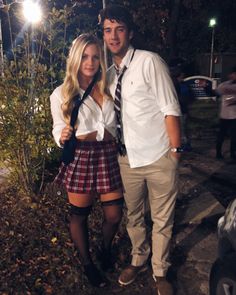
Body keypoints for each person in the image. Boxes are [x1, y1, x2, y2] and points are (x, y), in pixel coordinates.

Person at [99, 5, 182, 295]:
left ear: (130, 32)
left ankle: (161, 271)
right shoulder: (109, 74)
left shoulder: (150, 62)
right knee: (133, 216)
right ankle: (139, 257)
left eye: (119, 29)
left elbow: (171, 108)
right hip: (127, 159)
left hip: (159, 156)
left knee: (162, 219)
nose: (113, 36)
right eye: (108, 30)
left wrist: (175, 152)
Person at [50, 34, 124, 288]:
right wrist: (62, 135)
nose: (90, 62)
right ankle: (88, 263)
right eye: (84, 56)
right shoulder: (62, 93)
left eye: (95, 57)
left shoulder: (110, 85)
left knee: (114, 215)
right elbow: (58, 127)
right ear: (75, 58)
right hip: (81, 156)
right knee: (79, 216)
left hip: (108, 156)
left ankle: (105, 248)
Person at [215, 66, 236, 161]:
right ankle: (218, 153)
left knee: (234, 136)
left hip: (234, 115)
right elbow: (216, 93)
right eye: (233, 74)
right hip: (224, 115)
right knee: (221, 135)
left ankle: (233, 153)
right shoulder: (224, 85)